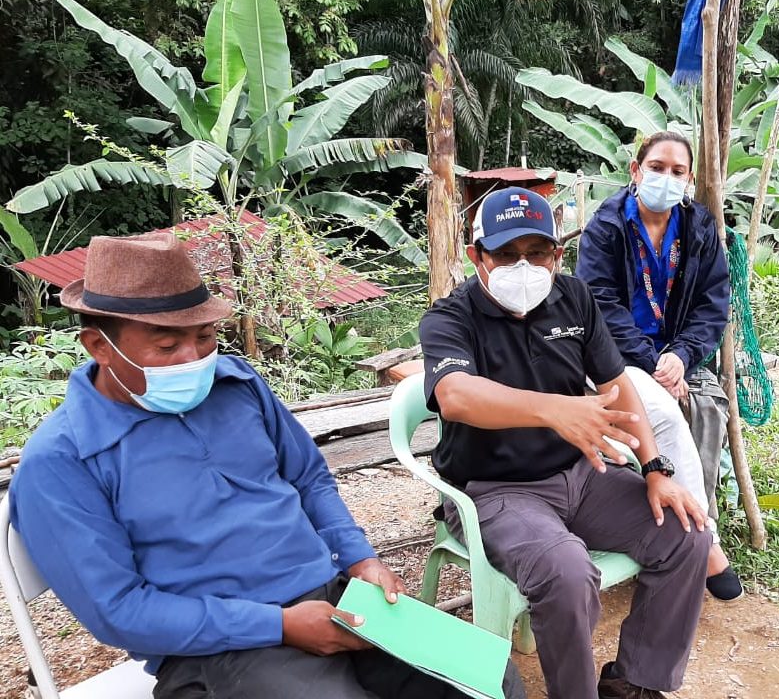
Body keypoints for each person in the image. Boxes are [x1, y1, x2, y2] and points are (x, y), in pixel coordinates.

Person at [9, 234, 523, 699]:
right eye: (167, 346)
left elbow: (309, 479)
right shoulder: (63, 461)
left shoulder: (236, 385)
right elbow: (119, 611)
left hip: (333, 599)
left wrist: (359, 557)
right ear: (99, 346)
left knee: (488, 676)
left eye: (205, 336)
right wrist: (279, 625)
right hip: (217, 651)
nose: (195, 359)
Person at [420, 187, 711, 699]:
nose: (523, 266)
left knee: (687, 533)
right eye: (506, 254)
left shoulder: (574, 297)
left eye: (537, 253)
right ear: (477, 257)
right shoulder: (451, 317)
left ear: (557, 253)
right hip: (494, 491)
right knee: (567, 573)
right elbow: (455, 395)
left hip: (582, 475)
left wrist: (656, 469)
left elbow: (617, 387)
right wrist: (553, 408)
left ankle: (634, 683)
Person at [576, 130, 742, 601]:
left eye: (677, 172)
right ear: (635, 169)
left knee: (701, 406)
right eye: (656, 167)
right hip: (611, 357)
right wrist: (654, 363)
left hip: (673, 357)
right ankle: (704, 541)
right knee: (666, 415)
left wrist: (683, 354)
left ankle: (684, 535)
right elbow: (599, 306)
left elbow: (714, 304)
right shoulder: (607, 227)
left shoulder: (699, 228)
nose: (665, 178)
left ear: (689, 180)